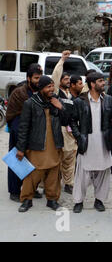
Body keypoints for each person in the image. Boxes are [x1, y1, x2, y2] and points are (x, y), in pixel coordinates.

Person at [71, 72, 112, 213]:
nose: (103, 83)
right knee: (82, 173)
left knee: (103, 172)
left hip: (104, 141)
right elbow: (72, 120)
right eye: (100, 81)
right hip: (87, 142)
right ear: (92, 84)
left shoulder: (108, 99)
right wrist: (78, 136)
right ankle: (78, 201)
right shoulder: (80, 101)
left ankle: (99, 200)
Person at [16, 76, 68, 212]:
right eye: (48, 87)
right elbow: (23, 127)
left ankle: (52, 200)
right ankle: (27, 200)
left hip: (54, 145)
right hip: (37, 146)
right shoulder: (30, 103)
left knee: (53, 175)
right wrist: (21, 148)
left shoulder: (56, 101)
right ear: (41, 88)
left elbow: (67, 121)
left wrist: (61, 107)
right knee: (32, 175)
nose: (51, 89)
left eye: (52, 86)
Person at [6, 64, 42, 202]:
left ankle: (30, 188)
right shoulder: (19, 93)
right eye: (36, 78)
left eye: (40, 77)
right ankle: (14, 191)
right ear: (28, 78)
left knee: (33, 162)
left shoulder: (39, 91)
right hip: (18, 128)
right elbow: (14, 116)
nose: (38, 80)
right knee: (17, 160)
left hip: (33, 131)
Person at [51, 51, 78, 194]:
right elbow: (55, 76)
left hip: (71, 131)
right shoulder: (55, 92)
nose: (68, 81)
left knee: (70, 158)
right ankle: (53, 185)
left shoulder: (70, 95)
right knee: (59, 158)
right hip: (59, 130)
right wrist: (62, 60)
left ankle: (69, 183)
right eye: (65, 79)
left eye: (69, 79)